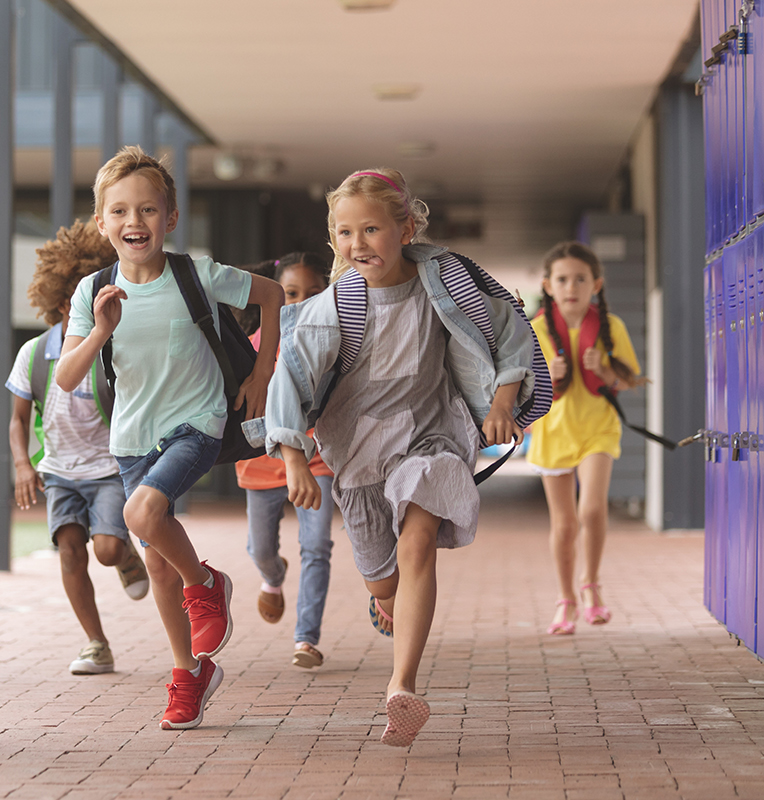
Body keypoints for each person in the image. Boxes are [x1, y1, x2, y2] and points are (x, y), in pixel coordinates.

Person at [265, 168, 544, 747]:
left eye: (371, 229)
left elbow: (511, 332)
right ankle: (386, 599)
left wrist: (501, 400)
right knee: (384, 582)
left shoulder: (448, 284)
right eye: (345, 233)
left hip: (431, 437)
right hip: (359, 458)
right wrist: (293, 457)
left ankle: (402, 686)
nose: (357, 244)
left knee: (418, 540)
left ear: (407, 227)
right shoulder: (331, 307)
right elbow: (287, 377)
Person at [56, 145, 285, 730]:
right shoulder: (93, 292)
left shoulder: (196, 274)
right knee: (157, 563)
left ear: (171, 217)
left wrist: (262, 372)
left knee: (142, 512)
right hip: (132, 436)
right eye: (121, 212)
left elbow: (272, 295)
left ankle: (207, 585)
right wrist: (100, 330)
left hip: (198, 422)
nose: (135, 222)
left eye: (149, 210)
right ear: (104, 223)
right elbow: (66, 375)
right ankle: (190, 673)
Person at [7, 220, 151, 676]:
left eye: (88, 294)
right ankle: (96, 643)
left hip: (108, 469)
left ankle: (125, 556)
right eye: (70, 296)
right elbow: (16, 420)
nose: (78, 304)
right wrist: (21, 466)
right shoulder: (34, 354)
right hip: (59, 472)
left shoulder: (112, 350)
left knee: (105, 549)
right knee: (70, 549)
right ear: (57, 299)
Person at [528, 241, 643, 635]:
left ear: (596, 283)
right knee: (564, 525)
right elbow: (522, 388)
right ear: (548, 285)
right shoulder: (537, 329)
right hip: (553, 431)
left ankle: (591, 585)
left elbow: (629, 381)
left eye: (580, 278)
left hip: (598, 427)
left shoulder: (612, 328)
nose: (571, 286)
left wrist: (606, 371)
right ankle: (566, 600)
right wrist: (550, 374)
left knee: (592, 510)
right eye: (562, 279)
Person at [234, 253, 336, 669]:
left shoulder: (333, 341)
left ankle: (306, 639)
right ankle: (273, 577)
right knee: (261, 550)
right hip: (260, 461)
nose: (300, 302)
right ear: (271, 298)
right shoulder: (251, 346)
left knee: (317, 546)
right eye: (290, 293)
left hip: (315, 458)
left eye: (313, 293)